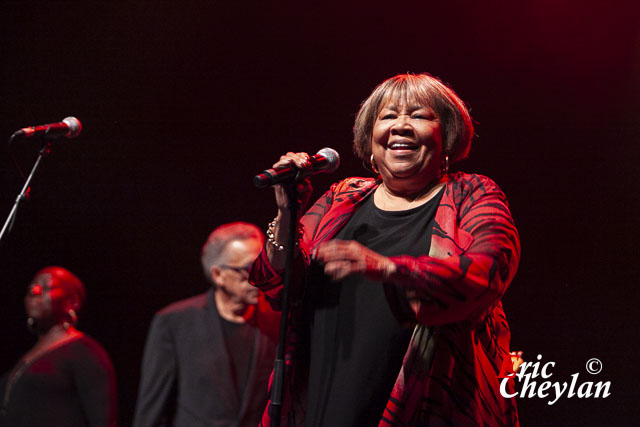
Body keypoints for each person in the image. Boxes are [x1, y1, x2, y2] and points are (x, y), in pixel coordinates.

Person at [249, 73, 521, 426]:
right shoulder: (341, 197)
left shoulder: (472, 194)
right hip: (324, 399)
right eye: (388, 116)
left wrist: (389, 269)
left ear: (448, 137)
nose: (401, 126)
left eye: (420, 115)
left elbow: (489, 272)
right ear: (370, 137)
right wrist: (287, 213)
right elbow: (277, 285)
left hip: (426, 404)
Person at [134, 222, 280, 427]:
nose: (260, 276)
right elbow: (152, 408)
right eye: (249, 268)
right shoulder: (174, 322)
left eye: (262, 265)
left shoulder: (278, 319)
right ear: (218, 275)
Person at [0, 266, 118, 427]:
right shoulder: (27, 355)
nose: (35, 291)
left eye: (47, 287)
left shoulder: (85, 353)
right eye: (31, 288)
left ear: (72, 302)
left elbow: (103, 421)